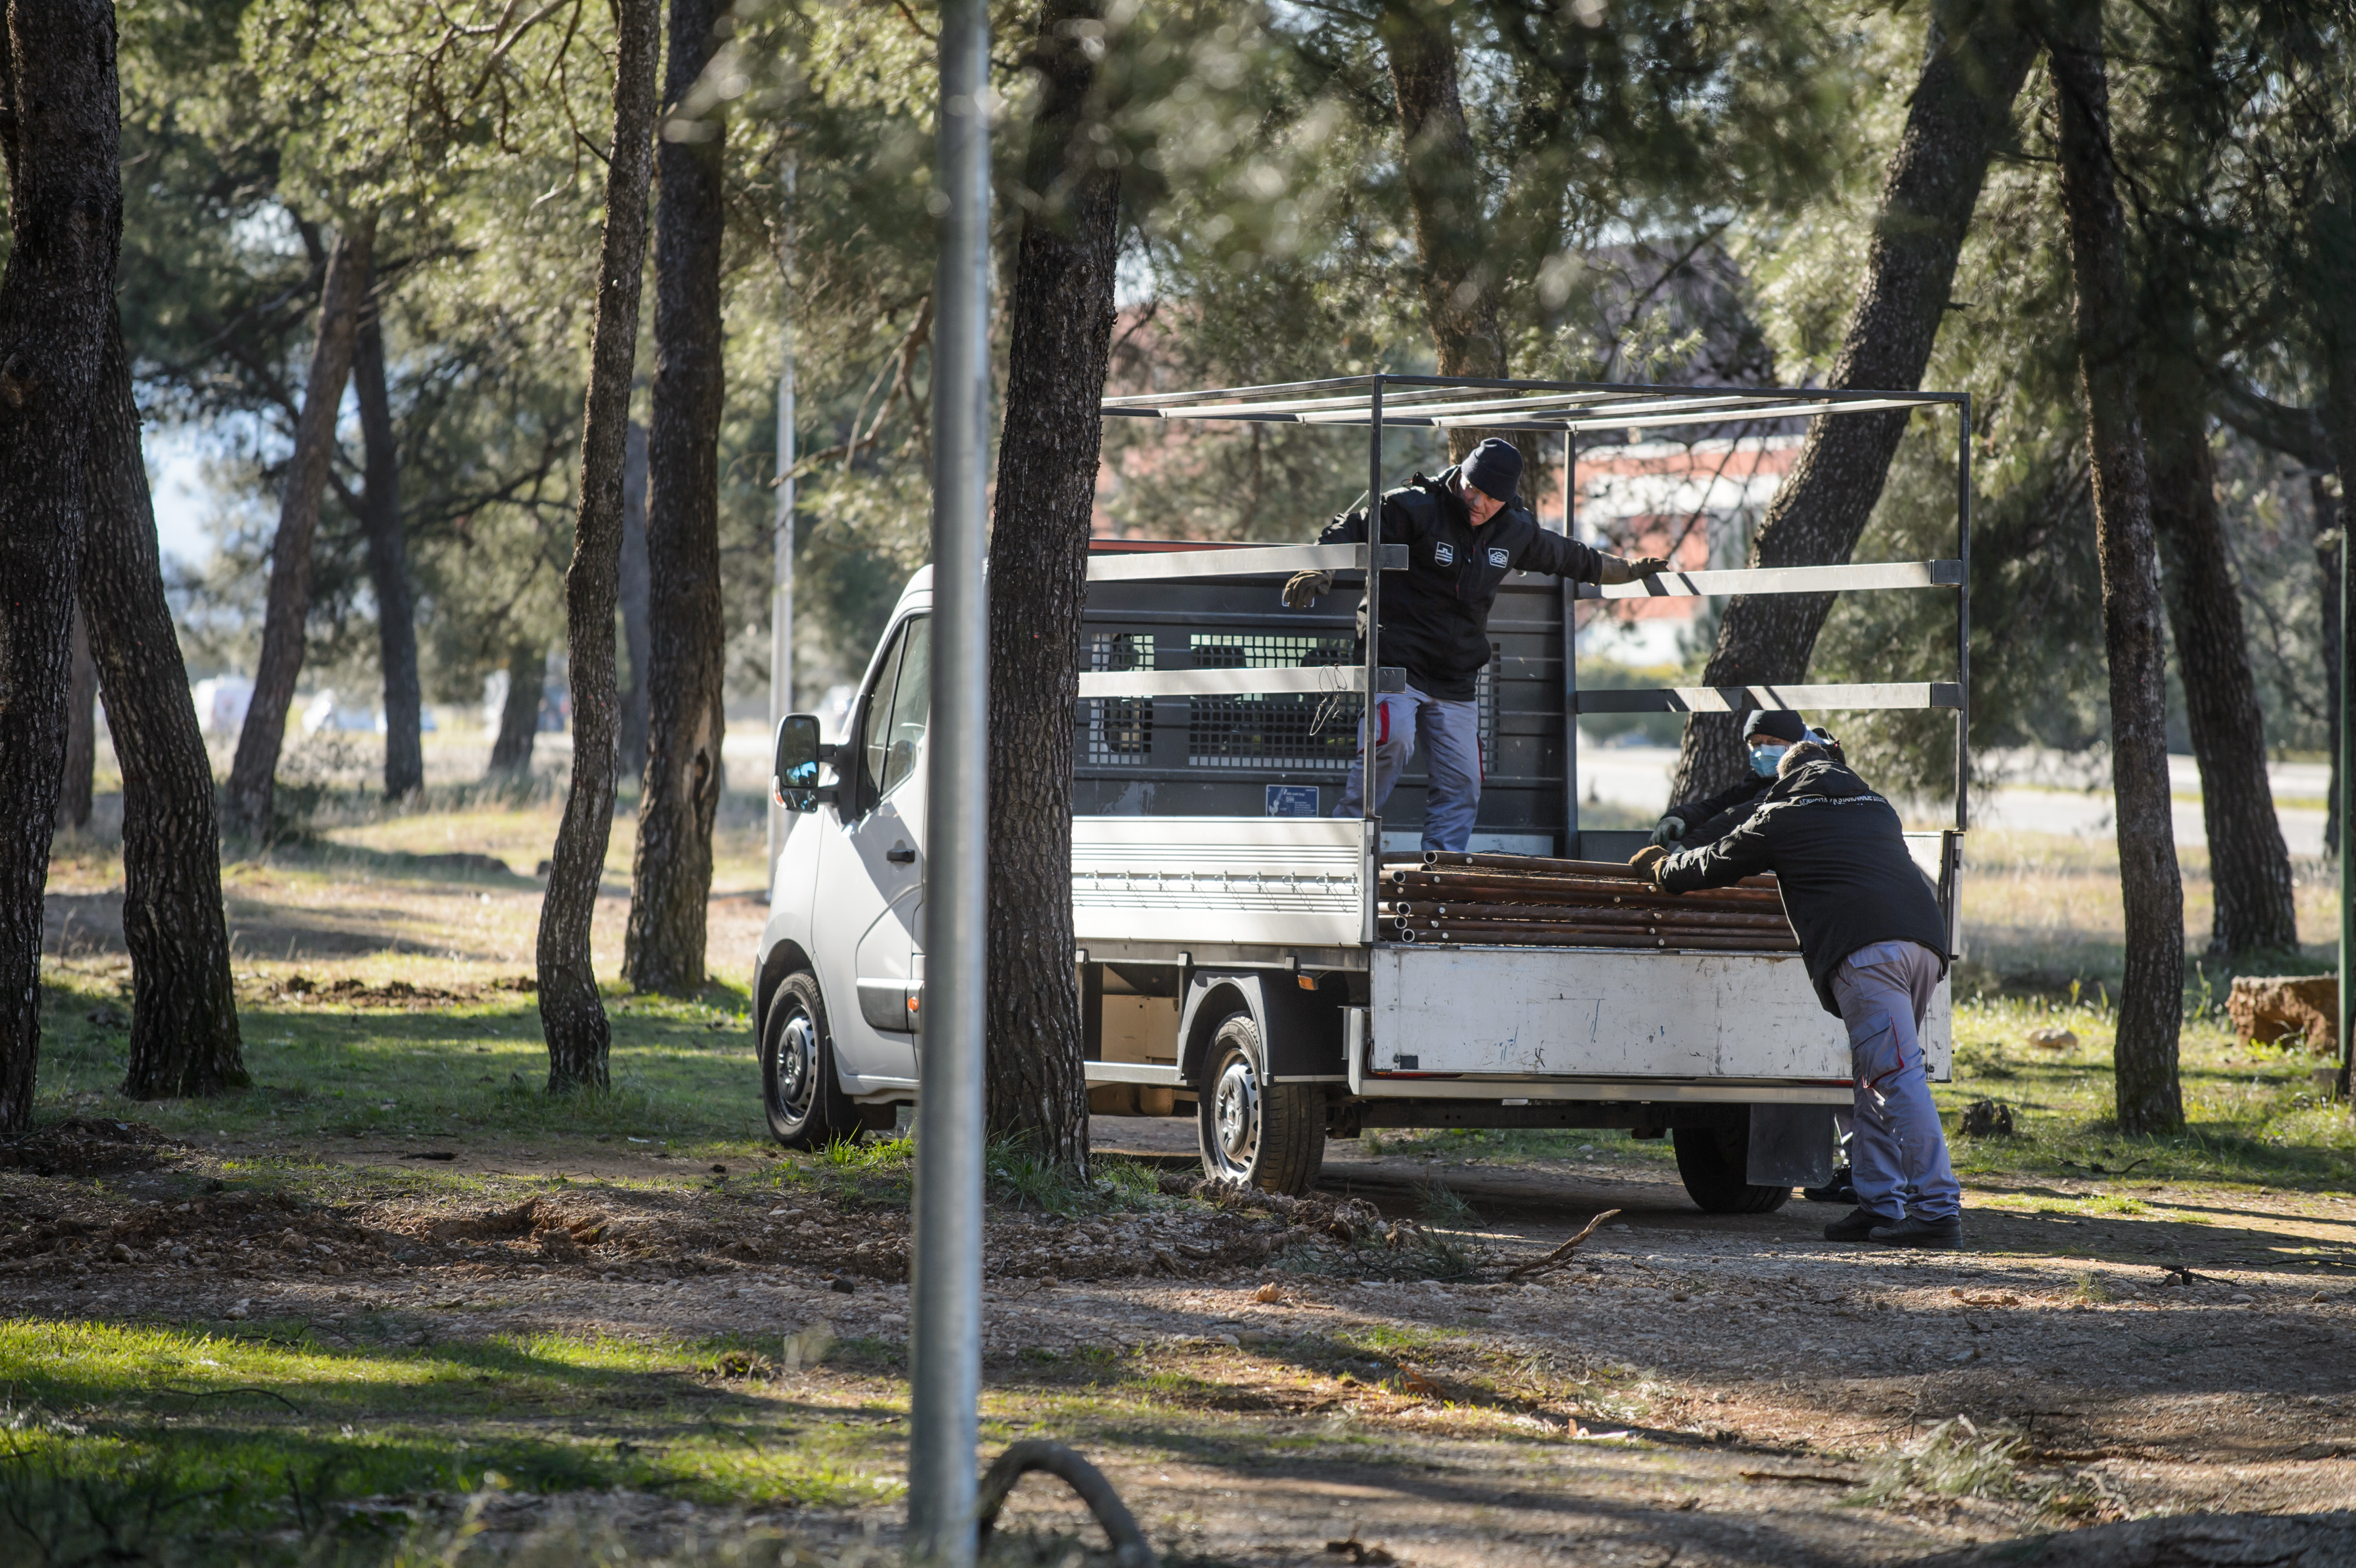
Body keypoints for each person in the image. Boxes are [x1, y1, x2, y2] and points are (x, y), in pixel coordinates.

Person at [1630, 739, 1962, 1248]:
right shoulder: (1876, 807)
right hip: (1924, 947)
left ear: (1785, 780)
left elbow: (1714, 863)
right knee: (1873, 1077)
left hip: (1866, 953)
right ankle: (1878, 1205)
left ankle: (1937, 1210)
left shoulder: (1783, 816)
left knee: (1897, 1077)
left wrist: (1661, 867)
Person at [1284, 437, 1666, 852]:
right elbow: (1351, 527)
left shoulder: (1516, 530)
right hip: (1396, 664)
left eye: (1490, 497)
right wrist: (1318, 566)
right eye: (1471, 487)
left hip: (1456, 677)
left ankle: (1442, 868)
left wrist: (1626, 570)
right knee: (1393, 741)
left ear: (1507, 500)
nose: (1476, 501)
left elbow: (1571, 557)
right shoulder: (1413, 507)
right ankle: (1345, 843)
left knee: (1464, 781)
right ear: (1461, 475)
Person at [1650, 710, 1817, 849]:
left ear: (1797, 744)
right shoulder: (1760, 779)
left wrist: (1691, 847)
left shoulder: (1810, 774)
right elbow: (1721, 805)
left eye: (1773, 742)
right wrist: (1681, 817)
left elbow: (1750, 813)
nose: (1764, 750)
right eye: (1756, 744)